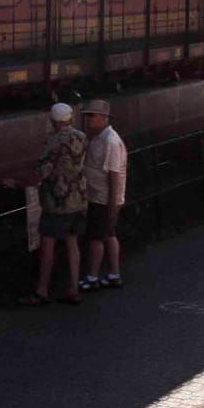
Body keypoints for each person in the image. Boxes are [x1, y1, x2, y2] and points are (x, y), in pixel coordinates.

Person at [18, 103, 87, 306]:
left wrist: (16, 182)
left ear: (53, 121)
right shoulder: (81, 137)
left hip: (56, 201)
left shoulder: (54, 142)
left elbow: (42, 172)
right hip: (79, 199)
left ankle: (42, 291)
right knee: (72, 243)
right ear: (71, 119)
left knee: (47, 244)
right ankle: (74, 288)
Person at [80, 100, 128, 291]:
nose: (88, 119)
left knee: (96, 238)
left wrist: (113, 204)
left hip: (103, 198)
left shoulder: (110, 142)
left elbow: (114, 175)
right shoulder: (99, 138)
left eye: (91, 115)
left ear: (103, 117)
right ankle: (114, 274)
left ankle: (92, 277)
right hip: (101, 196)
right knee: (109, 235)